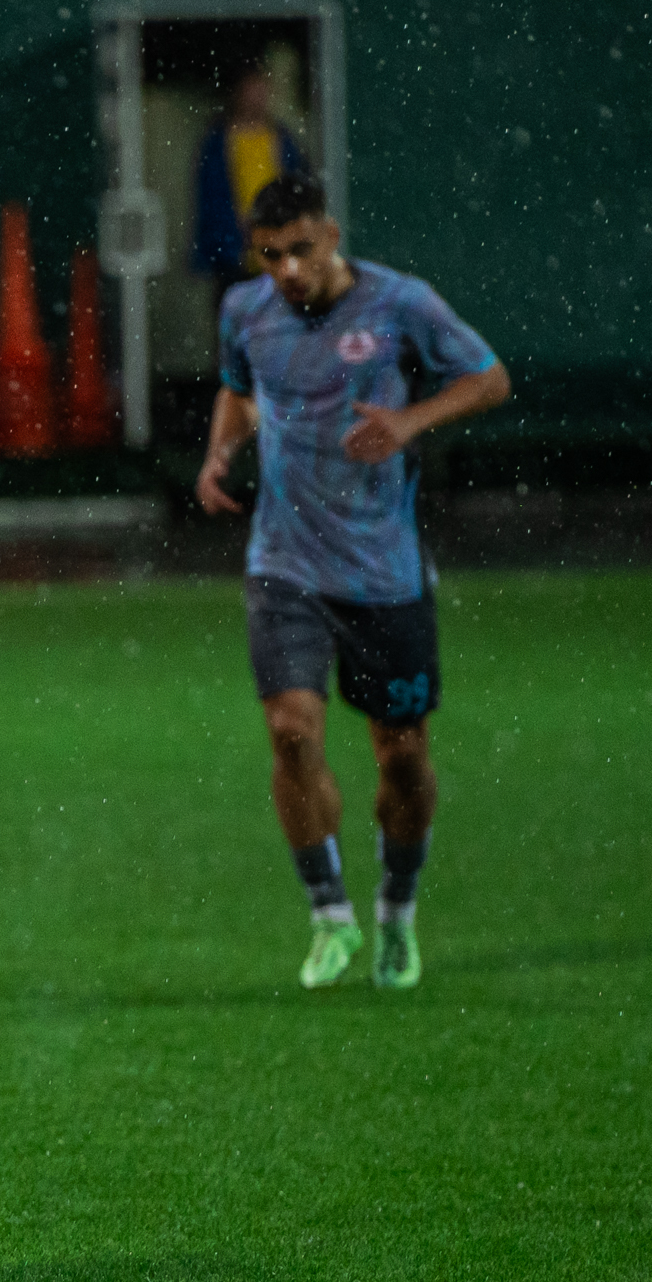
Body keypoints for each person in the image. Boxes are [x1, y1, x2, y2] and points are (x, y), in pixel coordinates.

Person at [194, 172, 508, 990]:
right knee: (291, 731)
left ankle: (397, 911)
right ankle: (330, 915)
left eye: (301, 249)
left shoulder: (401, 304)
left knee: (401, 760)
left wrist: (409, 420)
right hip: (285, 566)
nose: (288, 270)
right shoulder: (245, 311)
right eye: (271, 256)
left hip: (383, 573)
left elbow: (490, 377)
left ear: (332, 235)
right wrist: (220, 450)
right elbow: (239, 390)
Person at [192, 67, 309, 292]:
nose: (258, 97)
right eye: (251, 90)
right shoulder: (218, 142)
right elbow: (211, 199)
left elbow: (297, 186)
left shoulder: (282, 139)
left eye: (262, 90)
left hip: (277, 246)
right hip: (234, 252)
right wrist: (233, 233)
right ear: (237, 93)